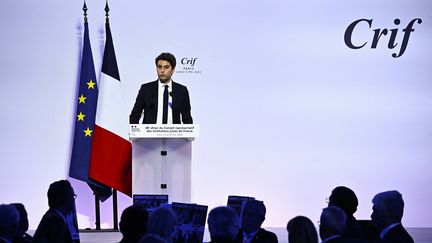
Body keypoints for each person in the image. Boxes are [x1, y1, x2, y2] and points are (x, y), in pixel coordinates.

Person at [130, 52, 193, 124]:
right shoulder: (146, 89)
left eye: (166, 67)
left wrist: (189, 134)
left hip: (174, 134)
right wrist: (136, 133)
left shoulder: (181, 90)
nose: (162, 70)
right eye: (159, 67)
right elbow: (135, 115)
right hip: (150, 134)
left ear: (173, 69)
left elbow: (187, 118)